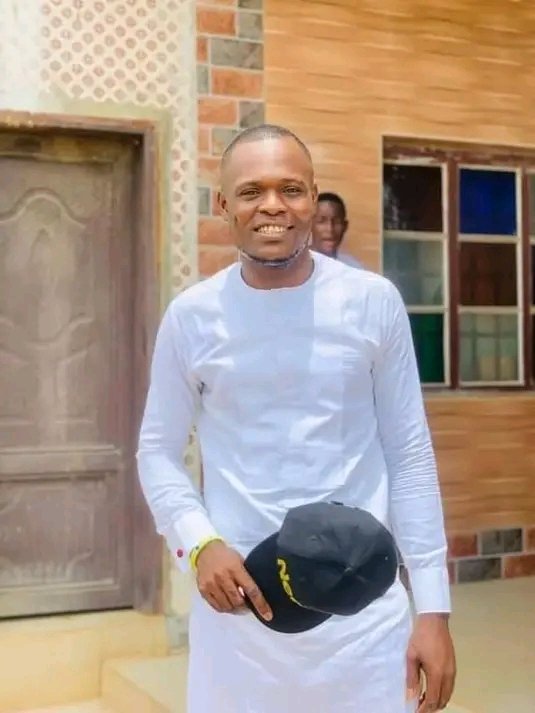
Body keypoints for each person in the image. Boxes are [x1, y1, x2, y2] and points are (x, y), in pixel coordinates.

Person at [137, 124, 456, 713]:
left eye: (290, 189)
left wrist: (432, 608)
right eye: (251, 191)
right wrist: (199, 544)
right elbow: (156, 450)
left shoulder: (372, 302)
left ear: (313, 196)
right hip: (239, 621)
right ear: (223, 204)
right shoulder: (192, 317)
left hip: (363, 623)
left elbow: (408, 453)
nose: (272, 207)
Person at [311, 191, 362, 267]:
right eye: (321, 221)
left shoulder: (353, 268)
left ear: (345, 226)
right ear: (309, 225)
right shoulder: (296, 266)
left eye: (337, 222)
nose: (330, 229)